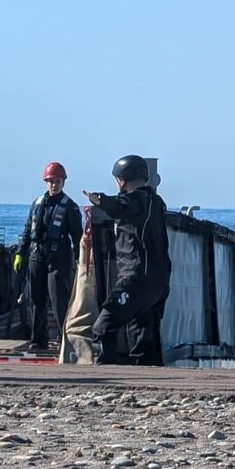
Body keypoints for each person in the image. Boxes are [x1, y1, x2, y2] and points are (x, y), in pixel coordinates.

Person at [82, 155, 171, 364]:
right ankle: (147, 375)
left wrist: (99, 200)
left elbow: (120, 205)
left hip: (136, 278)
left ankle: (108, 368)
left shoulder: (136, 199)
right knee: (143, 333)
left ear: (122, 179)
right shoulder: (157, 203)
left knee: (103, 325)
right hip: (159, 282)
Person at [15, 162, 83, 349]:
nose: (54, 184)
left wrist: (79, 259)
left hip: (59, 256)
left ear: (63, 182)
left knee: (59, 299)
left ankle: (64, 340)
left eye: (58, 181)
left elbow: (77, 236)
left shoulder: (70, 207)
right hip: (37, 255)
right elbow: (28, 230)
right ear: (46, 182)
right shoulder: (37, 204)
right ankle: (39, 340)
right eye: (51, 181)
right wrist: (21, 253)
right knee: (36, 299)